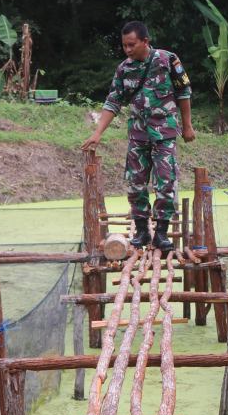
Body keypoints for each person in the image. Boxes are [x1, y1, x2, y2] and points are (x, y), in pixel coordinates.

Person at [81, 21, 195, 252]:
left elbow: (183, 92)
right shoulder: (124, 69)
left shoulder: (168, 60)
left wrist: (188, 126)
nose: (128, 50)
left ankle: (161, 233)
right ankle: (142, 231)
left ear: (145, 41)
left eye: (132, 44)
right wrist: (97, 133)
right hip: (138, 135)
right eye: (124, 46)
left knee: (165, 181)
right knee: (135, 183)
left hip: (164, 133)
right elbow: (113, 101)